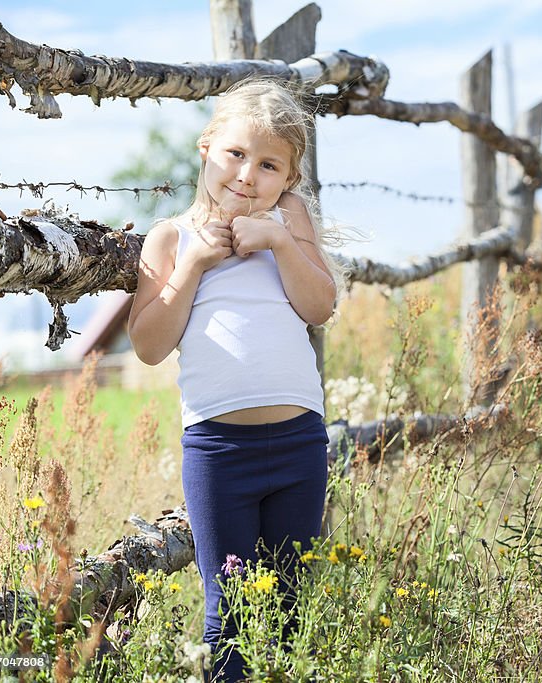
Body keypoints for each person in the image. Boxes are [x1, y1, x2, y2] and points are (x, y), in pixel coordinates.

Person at [128, 77, 346, 681]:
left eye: (269, 164)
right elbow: (148, 344)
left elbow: (319, 305)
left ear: (289, 179)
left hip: (300, 443)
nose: (248, 175)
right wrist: (195, 263)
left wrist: (278, 239)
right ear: (206, 147)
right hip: (219, 452)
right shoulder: (171, 238)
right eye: (236, 154)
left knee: (286, 613)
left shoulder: (288, 218)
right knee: (230, 619)